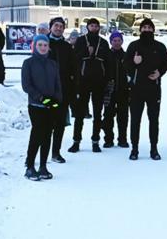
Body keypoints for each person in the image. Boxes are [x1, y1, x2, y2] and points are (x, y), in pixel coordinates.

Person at [124, 18, 167, 161]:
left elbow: (166, 64)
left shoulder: (160, 47)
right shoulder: (133, 46)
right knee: (135, 120)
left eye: (150, 28)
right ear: (140, 30)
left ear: (153, 30)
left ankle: (154, 149)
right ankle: (134, 149)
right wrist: (134, 62)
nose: (147, 30)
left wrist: (159, 73)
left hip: (154, 89)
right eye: (144, 28)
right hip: (137, 89)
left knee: (154, 120)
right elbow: (125, 65)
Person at [22, 34, 62, 180]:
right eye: (40, 45)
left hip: (51, 106)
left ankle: (43, 165)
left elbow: (58, 84)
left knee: (47, 135)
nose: (43, 48)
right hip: (36, 105)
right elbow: (27, 85)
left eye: (45, 45)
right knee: (37, 134)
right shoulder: (28, 63)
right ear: (35, 46)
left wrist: (57, 100)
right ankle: (30, 165)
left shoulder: (53, 64)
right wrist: (41, 98)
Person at [68, 18, 112, 153]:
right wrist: (87, 52)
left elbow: (108, 63)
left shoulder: (103, 42)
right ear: (87, 27)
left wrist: (106, 80)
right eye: (91, 26)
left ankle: (95, 140)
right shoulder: (81, 41)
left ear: (99, 28)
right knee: (80, 113)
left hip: (98, 82)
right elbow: (74, 59)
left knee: (98, 113)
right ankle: (76, 141)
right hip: (83, 81)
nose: (94, 28)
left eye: (96, 26)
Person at [47, 17, 77, 163]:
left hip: (62, 92)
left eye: (61, 26)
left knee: (59, 124)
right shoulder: (43, 43)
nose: (58, 28)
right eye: (56, 25)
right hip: (46, 92)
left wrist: (72, 90)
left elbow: (73, 69)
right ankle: (42, 154)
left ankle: (56, 152)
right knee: (45, 124)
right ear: (51, 27)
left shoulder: (66, 47)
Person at [101, 30, 130, 148]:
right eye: (114, 40)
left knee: (123, 116)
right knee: (108, 116)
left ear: (122, 41)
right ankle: (108, 139)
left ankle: (122, 139)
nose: (117, 43)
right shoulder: (106, 55)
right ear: (111, 42)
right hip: (109, 90)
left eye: (119, 40)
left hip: (124, 90)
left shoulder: (127, 55)